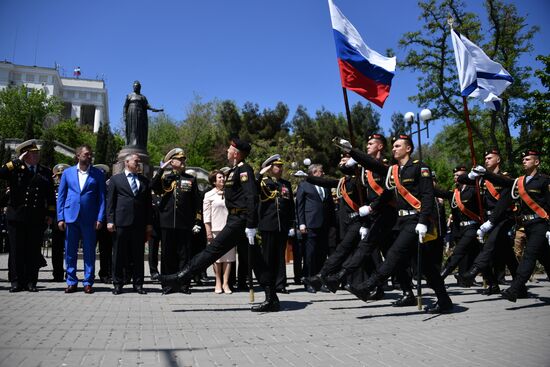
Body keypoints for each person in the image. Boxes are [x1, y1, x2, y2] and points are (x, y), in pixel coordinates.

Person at [159, 138, 279, 312]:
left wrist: (251, 225)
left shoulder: (244, 170)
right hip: (235, 220)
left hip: (240, 222)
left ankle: (181, 277)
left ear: (236, 153)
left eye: (230, 149)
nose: (227, 151)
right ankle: (272, 298)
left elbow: (251, 197)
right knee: (257, 261)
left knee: (212, 250)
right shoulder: (234, 171)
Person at [341, 135, 453, 314]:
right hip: (402, 221)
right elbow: (374, 169)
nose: (394, 149)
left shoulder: (419, 167)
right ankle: (444, 300)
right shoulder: (394, 171)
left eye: (398, 146)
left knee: (394, 253)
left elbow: (427, 196)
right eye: (392, 146)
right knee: (426, 266)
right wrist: (352, 151)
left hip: (415, 221)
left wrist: (423, 221)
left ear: (408, 149)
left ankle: (368, 286)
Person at [473, 150, 549, 302]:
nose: (524, 161)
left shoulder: (544, 180)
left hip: (541, 224)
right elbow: (503, 182)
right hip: (527, 224)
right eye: (523, 159)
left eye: (528, 159)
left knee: (529, 256)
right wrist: (485, 174)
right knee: (546, 258)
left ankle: (514, 289)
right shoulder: (520, 181)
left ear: (537, 162)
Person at [0, 140, 55, 292]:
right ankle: (16, 281)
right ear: (25, 155)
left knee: (32, 250)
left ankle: (31, 282)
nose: (36, 155)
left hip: (36, 217)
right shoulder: (16, 169)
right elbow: (1, 173)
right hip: (17, 216)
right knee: (16, 250)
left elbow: (50, 195)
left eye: (37, 153)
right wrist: (16, 161)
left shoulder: (44, 171)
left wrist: (50, 213)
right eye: (33, 153)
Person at [151, 148, 202, 295]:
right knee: (167, 256)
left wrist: (197, 221)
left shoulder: (190, 179)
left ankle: (184, 285)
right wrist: (161, 169)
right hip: (166, 223)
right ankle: (167, 285)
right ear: (172, 162)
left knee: (184, 256)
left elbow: (196, 202)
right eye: (180, 159)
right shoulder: (164, 179)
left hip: (184, 223)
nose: (183, 162)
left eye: (184, 159)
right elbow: (153, 186)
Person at [57, 144, 106, 294]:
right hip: (71, 216)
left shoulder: (98, 174)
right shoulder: (68, 173)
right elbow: (62, 196)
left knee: (89, 251)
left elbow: (102, 199)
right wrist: (60, 217)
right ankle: (71, 281)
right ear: (78, 156)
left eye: (90, 154)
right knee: (70, 251)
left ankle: (88, 281)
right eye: (86, 154)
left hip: (90, 218)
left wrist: (100, 218)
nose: (89, 156)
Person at [106, 154, 153, 295]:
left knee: (138, 255)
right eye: (135, 161)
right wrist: (110, 220)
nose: (138, 163)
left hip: (138, 224)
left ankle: (138, 284)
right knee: (119, 254)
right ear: (126, 162)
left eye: (139, 161)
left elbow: (148, 205)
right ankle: (118, 283)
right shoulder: (116, 179)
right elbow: (110, 202)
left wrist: (149, 224)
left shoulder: (144, 180)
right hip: (121, 222)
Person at [257, 154, 295, 294]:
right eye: (277, 166)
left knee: (280, 256)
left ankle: (280, 283)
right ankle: (267, 282)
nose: (280, 168)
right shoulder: (263, 182)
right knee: (267, 255)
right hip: (268, 223)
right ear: (270, 168)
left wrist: (291, 223)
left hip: (282, 224)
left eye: (281, 166)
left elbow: (290, 205)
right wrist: (260, 174)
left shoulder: (286, 184)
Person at [296, 164, 335, 290]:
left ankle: (319, 280)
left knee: (322, 254)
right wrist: (301, 223)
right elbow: (300, 206)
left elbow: (329, 205)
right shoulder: (304, 185)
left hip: (324, 224)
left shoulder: (325, 185)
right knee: (310, 254)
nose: (323, 173)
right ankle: (308, 281)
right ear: (313, 173)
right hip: (310, 224)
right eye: (321, 171)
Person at [203, 169, 235, 294]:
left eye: (223, 177)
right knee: (217, 258)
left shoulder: (230, 193)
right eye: (220, 177)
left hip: (229, 229)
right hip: (215, 229)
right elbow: (206, 216)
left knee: (228, 258)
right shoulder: (209, 195)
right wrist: (208, 232)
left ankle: (226, 283)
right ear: (214, 181)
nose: (223, 179)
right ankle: (218, 282)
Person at [123, 80, 163, 149]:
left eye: (137, 86)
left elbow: (147, 106)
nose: (135, 87)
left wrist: (156, 109)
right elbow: (125, 106)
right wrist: (124, 116)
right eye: (134, 86)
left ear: (139, 87)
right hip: (131, 113)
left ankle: (137, 143)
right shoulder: (129, 96)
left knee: (138, 129)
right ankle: (130, 143)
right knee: (131, 128)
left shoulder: (143, 97)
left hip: (139, 114)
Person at [94, 164, 113, 284]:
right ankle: (88, 273)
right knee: (89, 250)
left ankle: (105, 273)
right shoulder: (91, 186)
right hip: (92, 222)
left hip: (105, 222)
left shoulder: (109, 186)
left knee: (106, 250)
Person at [51, 163, 70, 282]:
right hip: (55, 221)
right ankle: (57, 273)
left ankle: (69, 273)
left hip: (69, 220)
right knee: (56, 250)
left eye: (63, 175)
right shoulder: (52, 189)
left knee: (69, 248)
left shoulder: (71, 188)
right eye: (59, 175)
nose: (60, 178)